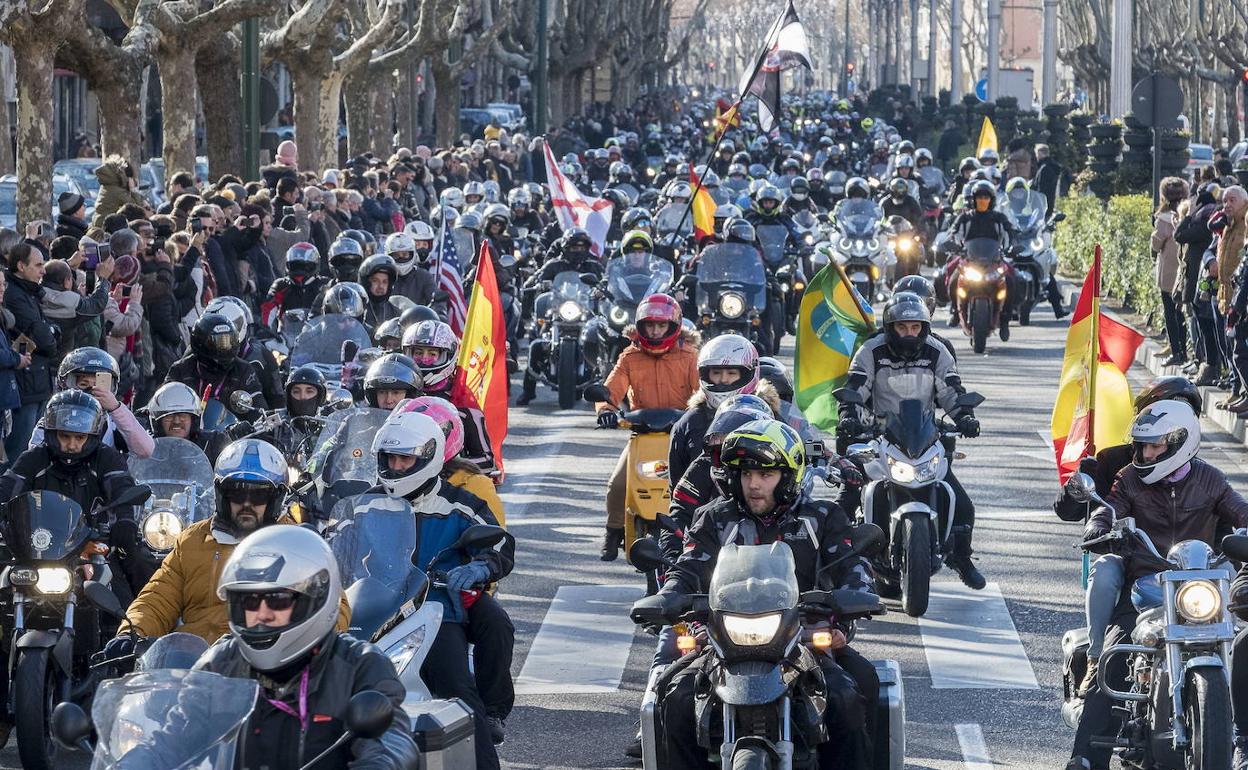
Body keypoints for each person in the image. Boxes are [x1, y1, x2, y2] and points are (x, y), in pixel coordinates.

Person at [654, 419, 878, 770]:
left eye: (765, 474)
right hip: (723, 644)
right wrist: (670, 596)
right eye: (745, 474)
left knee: (850, 694)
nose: (753, 484)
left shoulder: (822, 517)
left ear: (789, 476)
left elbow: (852, 568)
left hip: (802, 641)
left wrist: (854, 602)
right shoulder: (714, 518)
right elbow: (688, 568)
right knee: (676, 696)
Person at [118, 525, 419, 770]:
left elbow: (391, 742)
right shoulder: (221, 663)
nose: (261, 614)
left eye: (277, 601)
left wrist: (382, 764)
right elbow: (171, 740)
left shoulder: (360, 666)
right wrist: (129, 765)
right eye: (249, 601)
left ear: (313, 598)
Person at [1070, 400, 1248, 770]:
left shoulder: (1210, 479)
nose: (1146, 453)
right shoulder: (1130, 479)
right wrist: (1100, 527)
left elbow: (1239, 509)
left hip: (1202, 586)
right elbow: (1111, 506)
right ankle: (1086, 756)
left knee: (1243, 647)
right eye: (1143, 446)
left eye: (1155, 446)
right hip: (1147, 582)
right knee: (1114, 656)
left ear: (1180, 442)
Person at [369, 410, 515, 769]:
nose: (397, 466)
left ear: (428, 458)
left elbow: (499, 543)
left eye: (406, 458)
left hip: (436, 610)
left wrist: (480, 566)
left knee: (460, 694)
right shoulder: (365, 503)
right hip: (373, 611)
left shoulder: (460, 504)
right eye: (391, 458)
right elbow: (335, 546)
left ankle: (486, 744)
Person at [107, 438, 352, 649]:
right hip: (192, 670)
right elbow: (157, 599)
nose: (246, 503)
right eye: (236, 493)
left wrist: (303, 642)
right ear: (221, 495)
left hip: (267, 666)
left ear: (276, 499)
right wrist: (132, 633)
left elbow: (334, 607)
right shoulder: (193, 540)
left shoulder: (298, 544)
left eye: (258, 495)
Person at [836, 292, 985, 589]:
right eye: (903, 327)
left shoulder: (937, 351)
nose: (909, 334)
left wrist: (964, 417)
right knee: (846, 500)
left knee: (964, 505)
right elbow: (855, 386)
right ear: (890, 327)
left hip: (925, 438)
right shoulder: (871, 350)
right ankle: (837, 563)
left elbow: (951, 389)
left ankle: (961, 556)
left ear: (924, 327)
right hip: (880, 437)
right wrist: (849, 416)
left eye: (915, 327)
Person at [595, 294, 700, 560]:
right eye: (649, 325)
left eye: (661, 326)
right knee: (617, 486)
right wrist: (606, 410)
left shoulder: (690, 357)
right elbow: (611, 389)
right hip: (642, 436)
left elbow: (704, 392)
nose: (655, 331)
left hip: (683, 438)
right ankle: (613, 531)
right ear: (640, 326)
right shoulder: (630, 356)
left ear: (673, 326)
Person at [667, 333, 763, 491]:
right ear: (706, 375)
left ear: (748, 374)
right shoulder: (689, 423)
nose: (723, 380)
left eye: (731, 373)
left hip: (758, 511)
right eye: (716, 373)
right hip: (701, 512)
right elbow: (676, 484)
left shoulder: (767, 418)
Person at [402, 320, 497, 476]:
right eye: (418, 353)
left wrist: (442, 464)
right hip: (399, 477)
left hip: (447, 490)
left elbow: (487, 461)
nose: (424, 359)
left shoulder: (464, 404)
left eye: (432, 354)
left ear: (448, 356)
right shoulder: (399, 394)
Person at [28, 347, 155, 458]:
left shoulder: (115, 421)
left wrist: (116, 408)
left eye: (98, 385)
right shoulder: (52, 419)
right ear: (66, 385)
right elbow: (35, 457)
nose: (91, 391)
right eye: (84, 384)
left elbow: (145, 450)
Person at [4, 243, 58, 464]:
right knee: (19, 449)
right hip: (25, 383)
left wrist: (51, 332)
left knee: (30, 448)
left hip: (37, 380)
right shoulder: (15, 295)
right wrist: (51, 333)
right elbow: (43, 336)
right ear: (20, 266)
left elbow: (45, 331)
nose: (43, 270)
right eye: (38, 265)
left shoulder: (30, 292)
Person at [942, 180, 1017, 330]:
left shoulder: (999, 218)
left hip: (994, 260)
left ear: (992, 200)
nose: (982, 201)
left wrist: (1012, 246)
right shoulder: (965, 218)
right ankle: (955, 312)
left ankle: (1005, 318)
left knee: (1012, 279)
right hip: (968, 259)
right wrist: (953, 244)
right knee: (951, 276)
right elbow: (953, 233)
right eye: (979, 197)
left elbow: (1011, 231)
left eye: (986, 197)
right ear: (973, 200)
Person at [164, 312, 268, 410]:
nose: (225, 347)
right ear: (200, 343)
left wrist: (248, 425)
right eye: (219, 342)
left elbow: (257, 407)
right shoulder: (180, 369)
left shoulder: (244, 370)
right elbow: (164, 401)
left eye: (228, 341)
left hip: (231, 427)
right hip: (189, 427)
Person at [144, 381, 232, 465]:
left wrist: (236, 434)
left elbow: (229, 446)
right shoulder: (145, 447)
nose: (177, 421)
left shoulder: (211, 443)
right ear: (157, 422)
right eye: (169, 416)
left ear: (193, 420)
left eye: (183, 415)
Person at [1152, 178, 1190, 367]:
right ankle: (1185, 349)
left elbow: (1156, 242)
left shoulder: (1164, 217)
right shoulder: (1189, 212)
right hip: (1185, 269)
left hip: (1168, 269)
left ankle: (1177, 351)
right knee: (1182, 312)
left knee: (1170, 311)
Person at [360, 253, 403, 328]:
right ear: (366, 282)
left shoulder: (396, 313)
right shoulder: (358, 310)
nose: (380, 286)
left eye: (385, 282)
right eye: (375, 281)